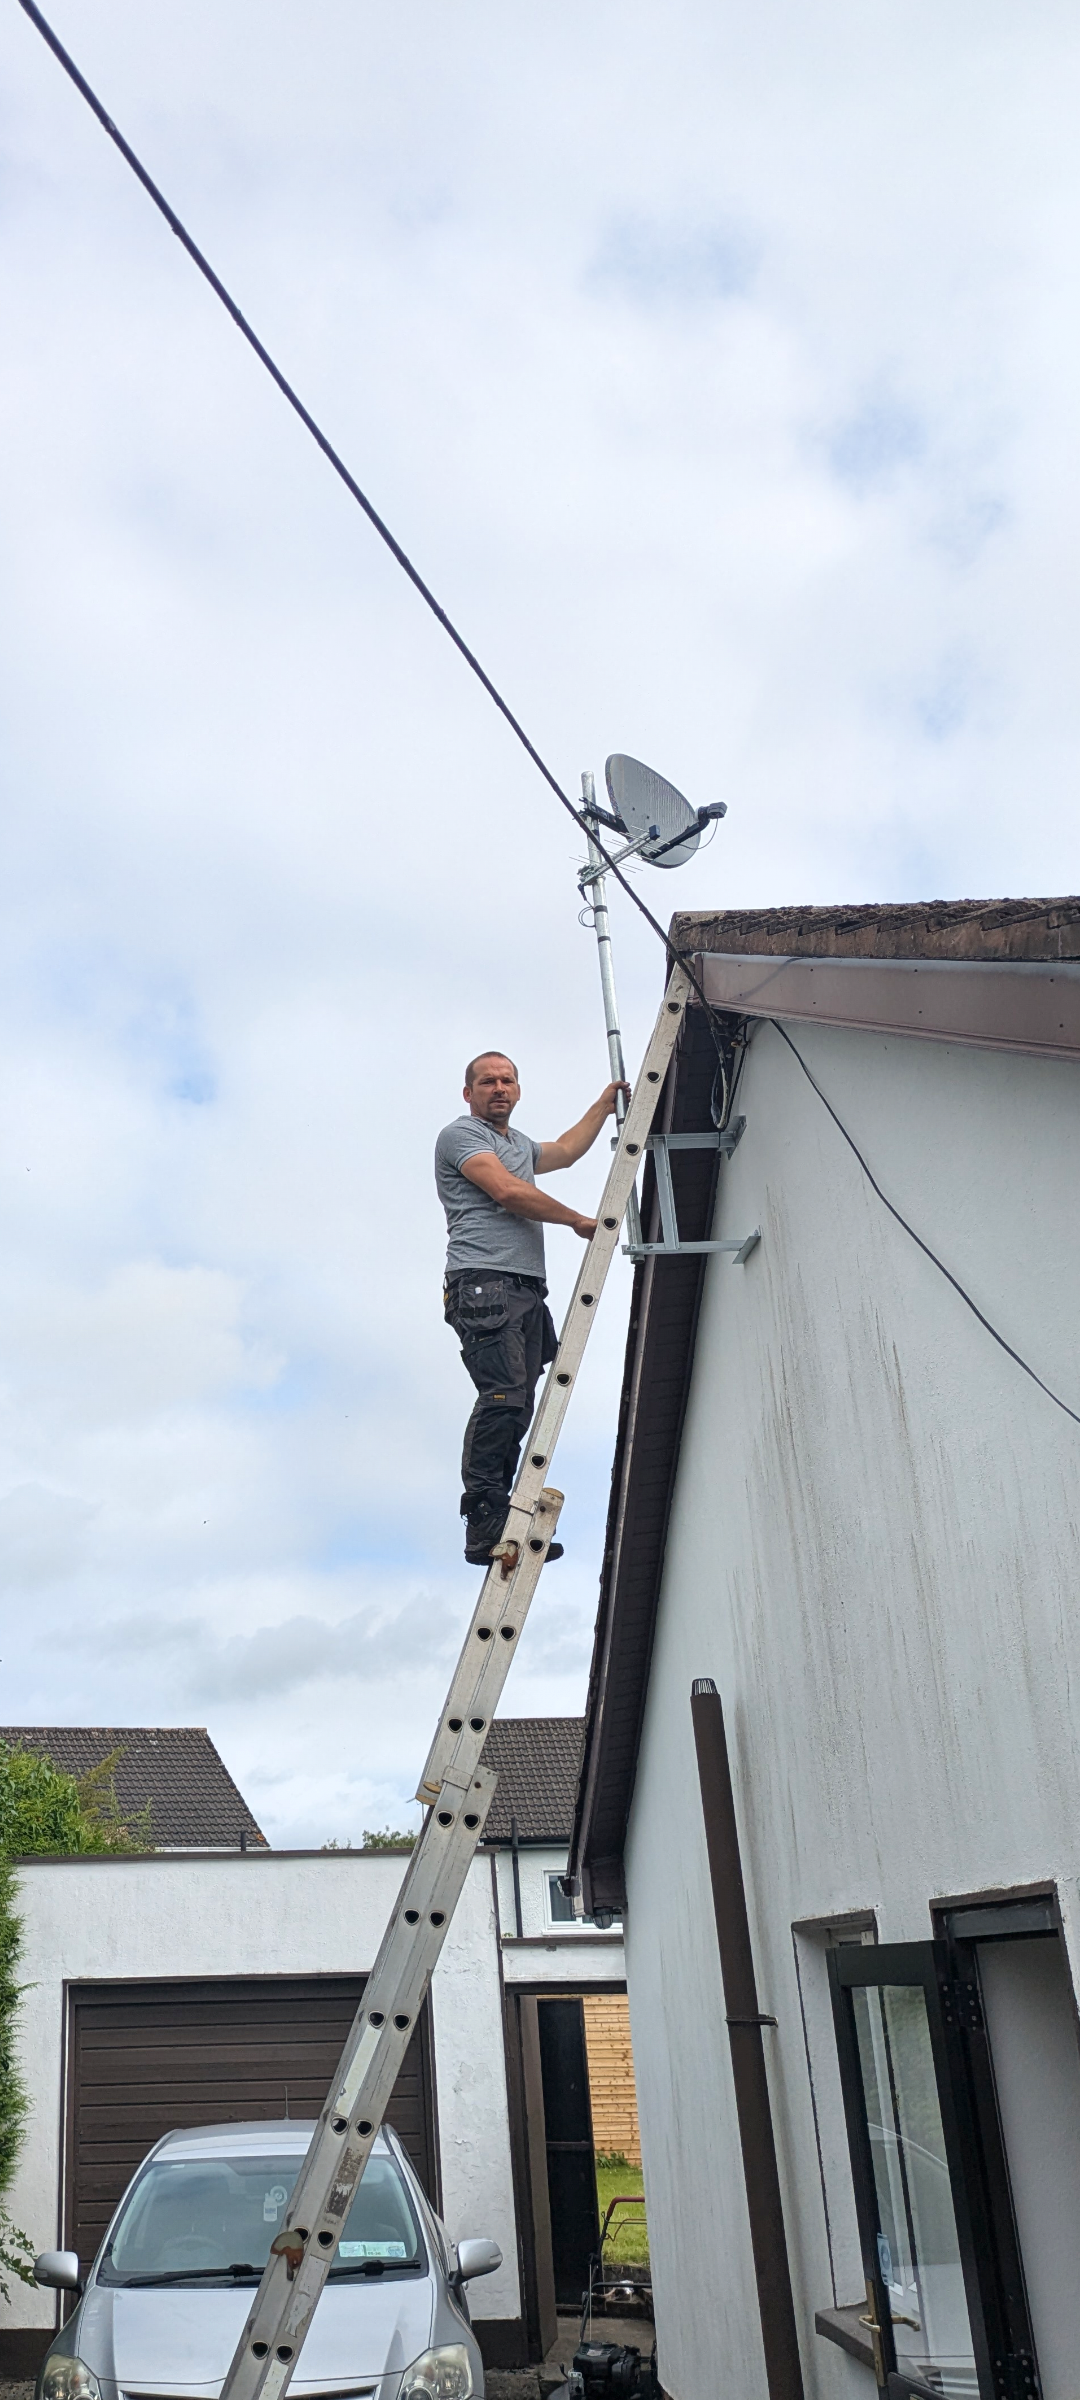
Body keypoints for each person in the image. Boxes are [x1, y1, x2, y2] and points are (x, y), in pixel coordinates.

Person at [436, 1051, 629, 1565]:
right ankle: (483, 1516)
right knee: (501, 1396)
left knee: (519, 1402)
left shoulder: (516, 1144)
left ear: (518, 1090)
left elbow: (565, 1150)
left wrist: (604, 1104)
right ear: (468, 1093)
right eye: (487, 1081)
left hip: (523, 1289)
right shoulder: (462, 1137)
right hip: (483, 1284)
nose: (498, 1088)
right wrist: (575, 1220)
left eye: (507, 1080)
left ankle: (501, 1514)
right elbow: (506, 1192)